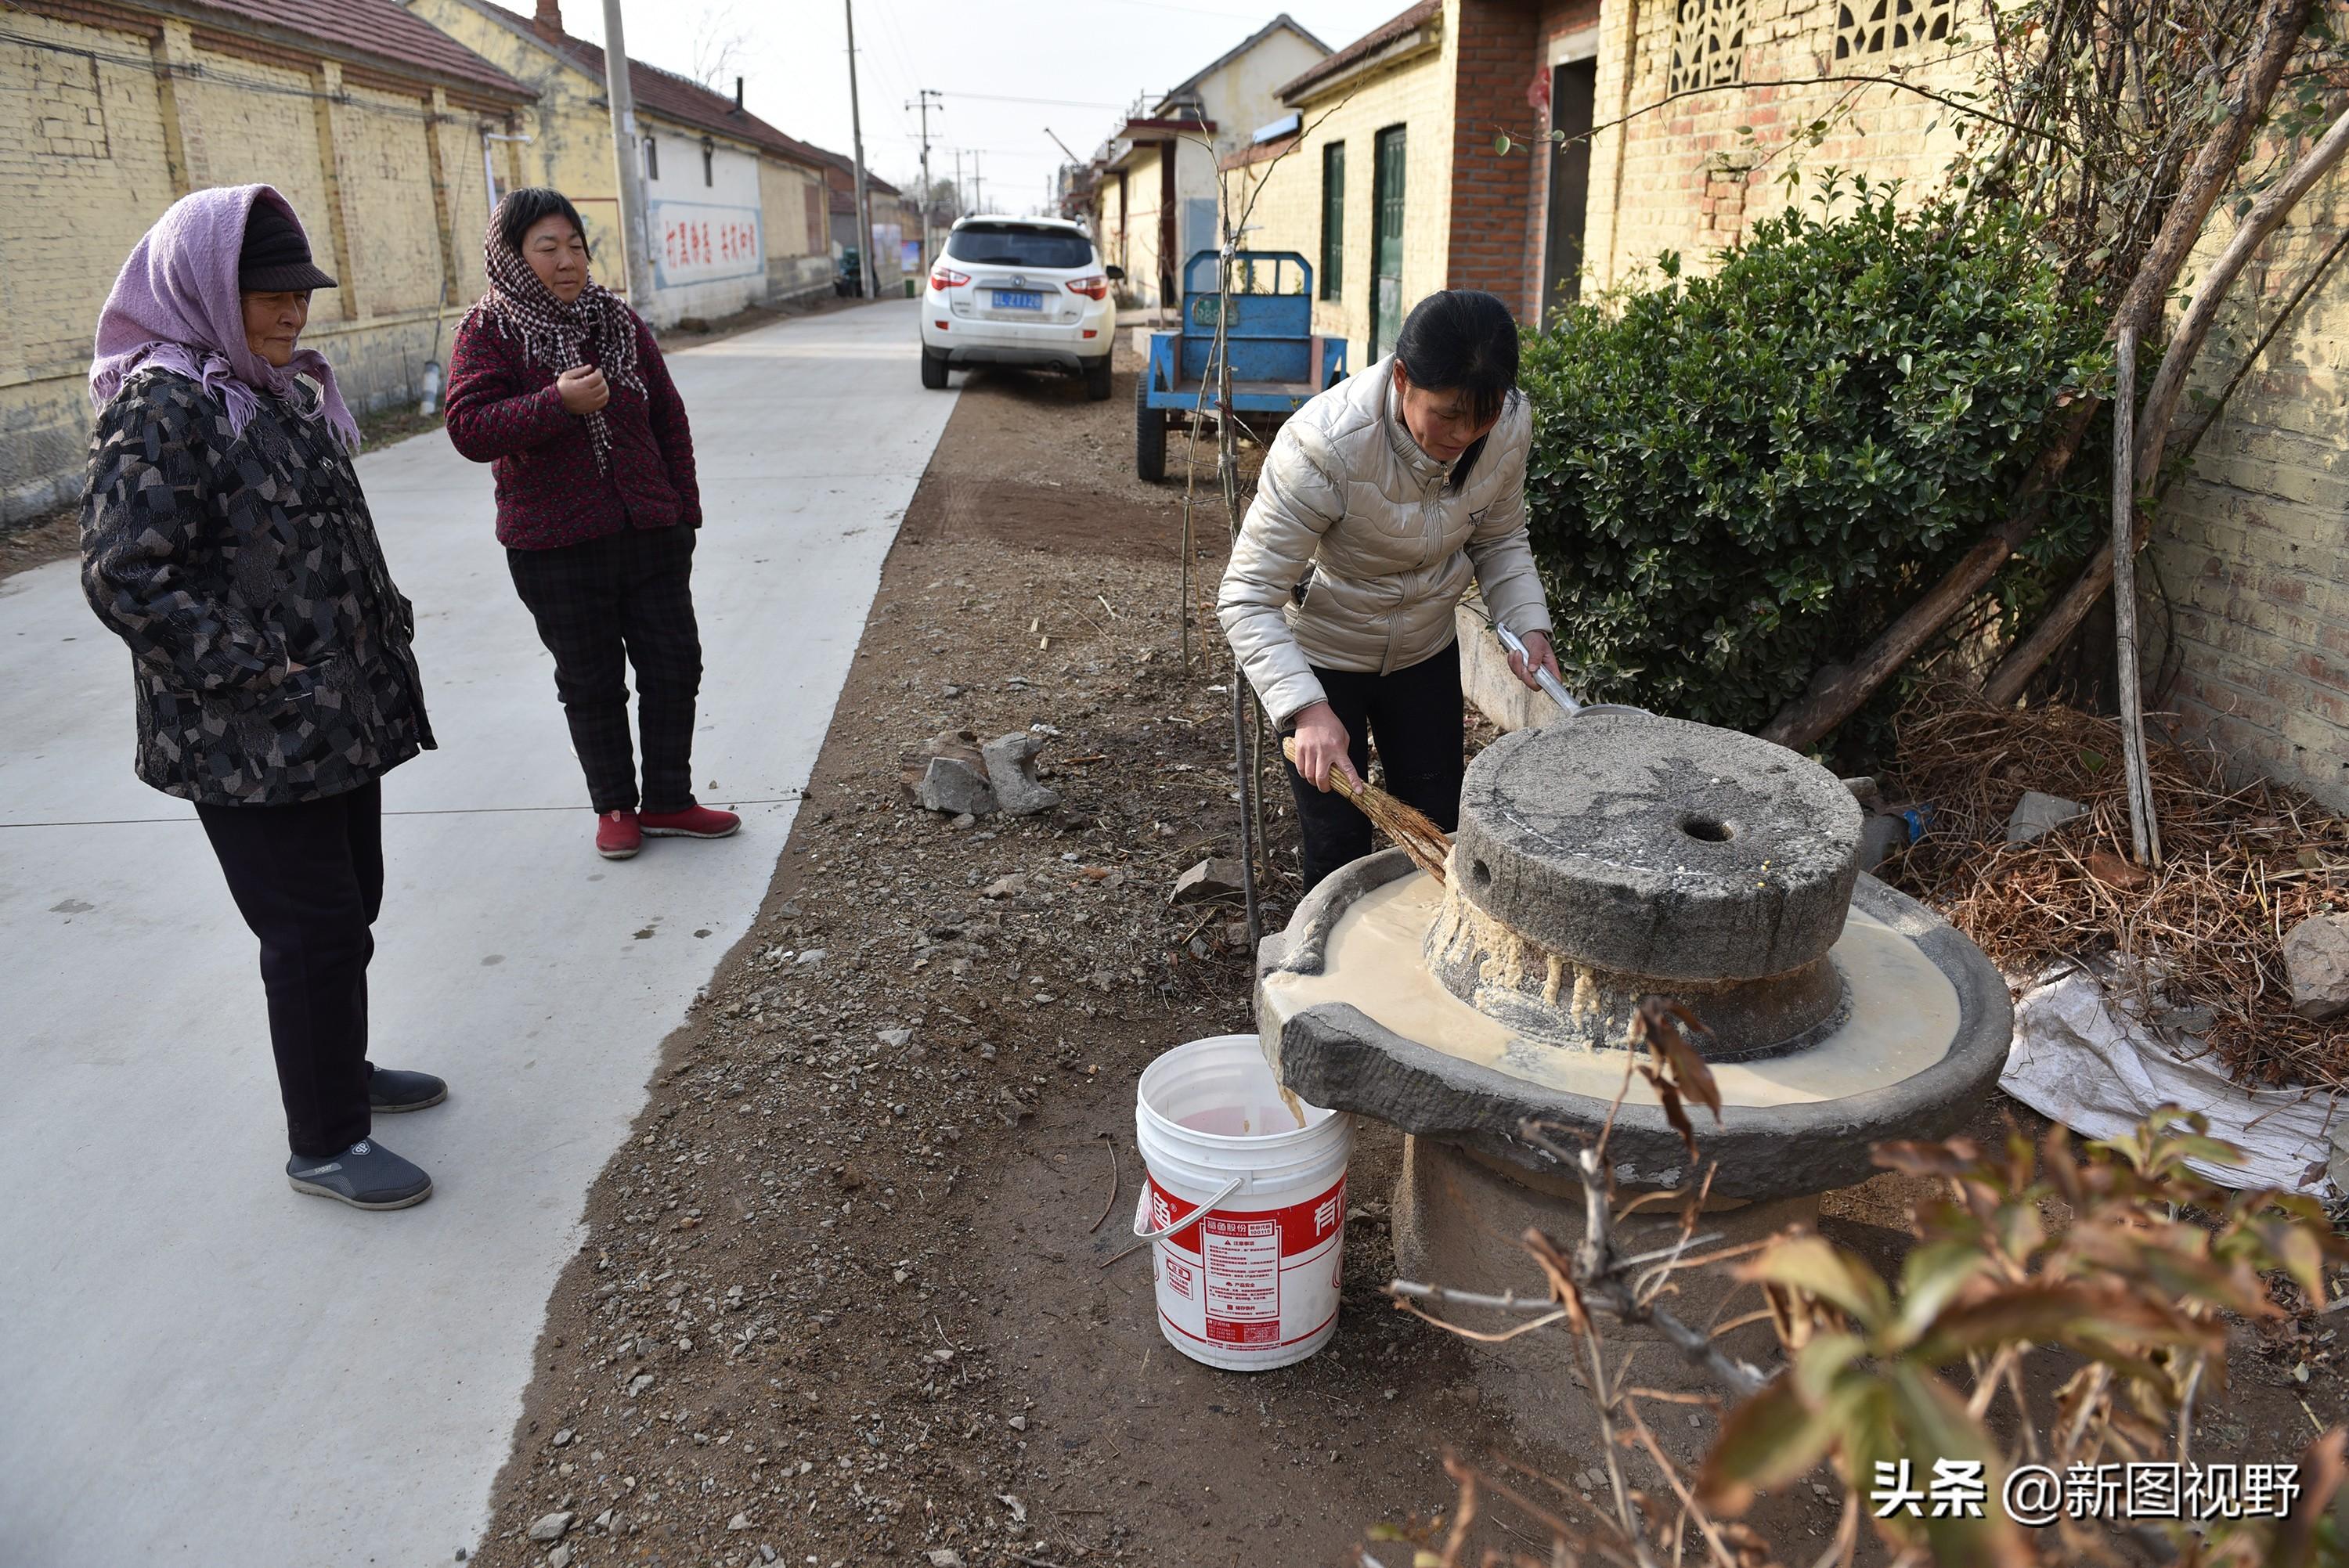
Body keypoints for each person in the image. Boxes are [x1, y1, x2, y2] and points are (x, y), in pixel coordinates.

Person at [81, 185, 442, 1211]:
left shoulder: (275, 388)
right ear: (201, 287)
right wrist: (253, 670)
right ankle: (325, 1140)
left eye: (299, 294)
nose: (291, 313)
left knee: (352, 909)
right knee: (313, 929)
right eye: (266, 294)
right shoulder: (165, 402)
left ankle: (342, 1069)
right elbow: (124, 569)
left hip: (331, 721)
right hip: (249, 738)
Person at [1219, 289, 1561, 892]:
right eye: (1449, 414)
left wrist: (1527, 623)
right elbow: (1246, 595)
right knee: (1338, 847)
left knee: (1439, 833)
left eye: (1482, 415)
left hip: (1425, 652)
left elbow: (1501, 537)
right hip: (1324, 659)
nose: (1465, 433)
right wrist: (1306, 708)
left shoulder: (1506, 426)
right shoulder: (1323, 446)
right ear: (1402, 377)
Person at [444, 187, 737, 861]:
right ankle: (615, 806)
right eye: (547, 248)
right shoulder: (489, 331)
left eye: (575, 245)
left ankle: (668, 798)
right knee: (592, 681)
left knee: (674, 664)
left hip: (650, 532)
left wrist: (684, 512)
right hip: (555, 546)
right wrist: (556, 403)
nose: (567, 260)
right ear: (513, 257)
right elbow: (469, 427)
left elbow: (669, 417)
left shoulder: (618, 321)